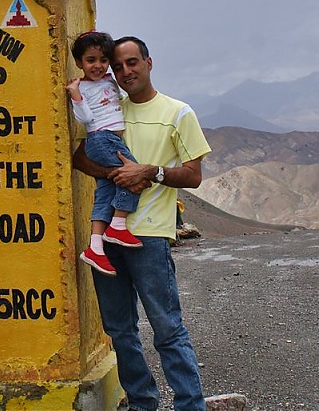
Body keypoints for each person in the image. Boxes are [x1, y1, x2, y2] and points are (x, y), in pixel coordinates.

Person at [73, 36, 211, 411]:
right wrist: (117, 173)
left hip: (149, 237)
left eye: (132, 63)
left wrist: (151, 172)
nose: (125, 72)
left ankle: (190, 405)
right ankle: (143, 402)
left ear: (149, 63)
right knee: (120, 331)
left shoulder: (178, 113)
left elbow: (194, 174)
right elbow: (80, 158)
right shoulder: (109, 108)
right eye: (117, 67)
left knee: (167, 329)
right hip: (107, 243)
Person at [67, 31, 143, 277]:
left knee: (106, 191)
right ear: (79, 63)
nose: (97, 65)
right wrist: (76, 96)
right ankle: (118, 225)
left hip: (107, 138)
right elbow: (86, 119)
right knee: (134, 176)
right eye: (91, 60)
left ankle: (96, 246)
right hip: (102, 137)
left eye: (102, 59)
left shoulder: (109, 81)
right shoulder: (82, 88)